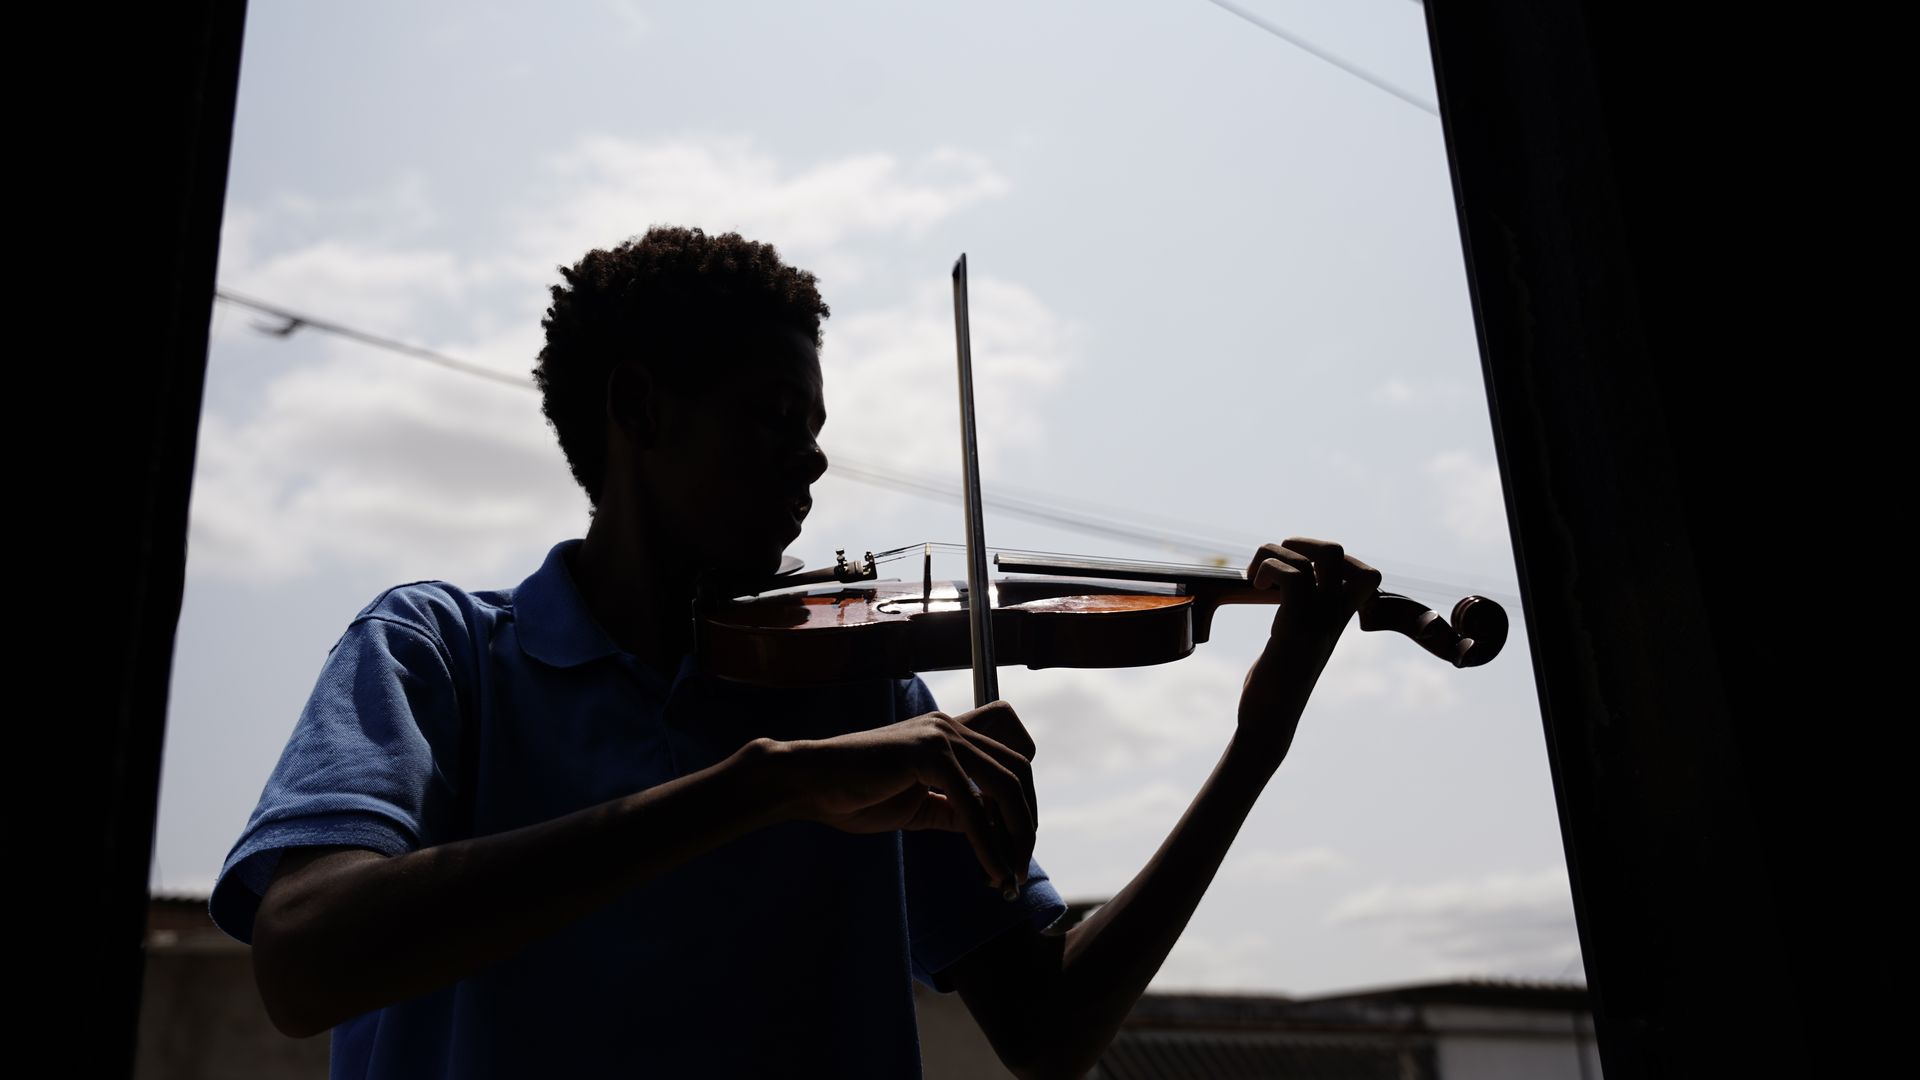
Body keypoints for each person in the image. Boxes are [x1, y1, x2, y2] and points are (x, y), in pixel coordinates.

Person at [209, 225, 1383, 1078]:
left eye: (818, 430)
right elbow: (306, 959)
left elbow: (1052, 1029)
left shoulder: (854, 689)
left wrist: (1255, 748)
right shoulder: (441, 656)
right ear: (638, 410)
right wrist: (763, 787)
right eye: (772, 418)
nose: (813, 463)